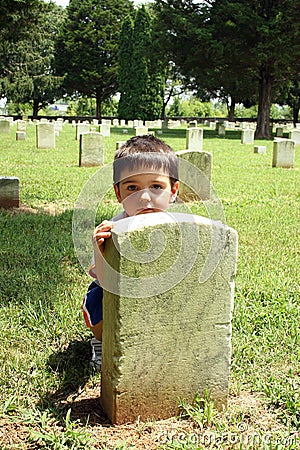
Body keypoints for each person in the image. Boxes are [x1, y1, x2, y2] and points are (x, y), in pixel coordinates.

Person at [82, 135, 179, 370]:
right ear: (119, 193)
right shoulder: (114, 229)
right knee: (98, 300)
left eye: (156, 186)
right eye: (132, 188)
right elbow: (106, 279)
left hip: (159, 287)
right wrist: (99, 247)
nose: (145, 197)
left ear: (173, 190)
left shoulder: (179, 229)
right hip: (115, 287)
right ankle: (100, 341)